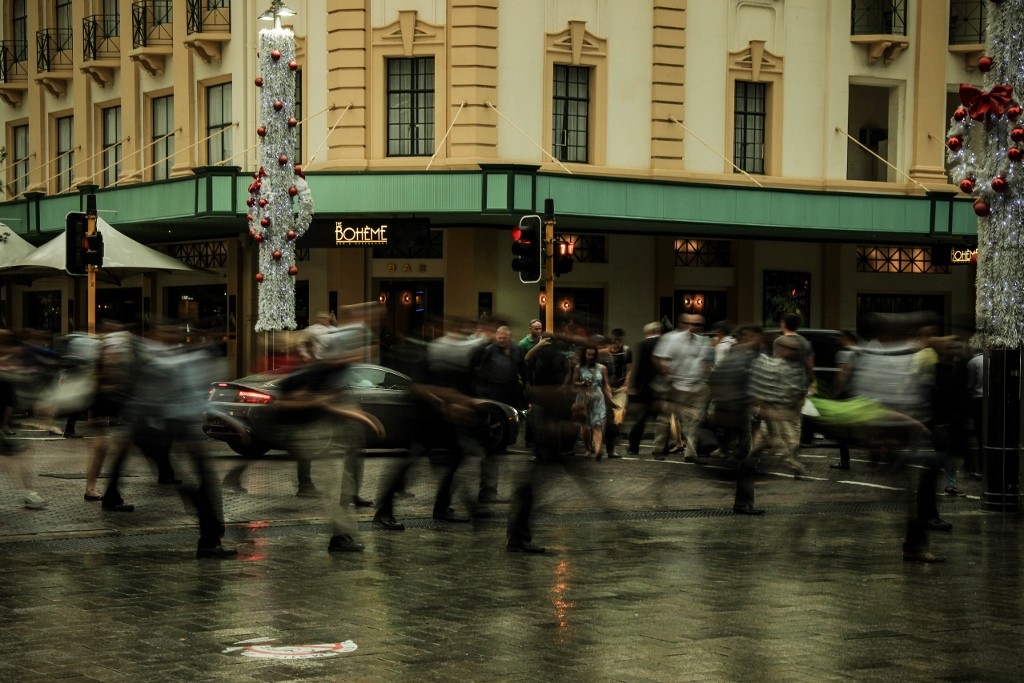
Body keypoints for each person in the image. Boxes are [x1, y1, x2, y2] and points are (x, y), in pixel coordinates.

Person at [652, 314, 713, 463]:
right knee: (665, 418)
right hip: (676, 385)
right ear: (682, 324)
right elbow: (658, 358)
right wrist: (667, 374)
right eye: (690, 323)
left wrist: (705, 377)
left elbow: (704, 362)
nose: (693, 327)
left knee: (694, 420)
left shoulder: (702, 341)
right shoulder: (671, 338)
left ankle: (690, 453)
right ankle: (658, 448)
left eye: (698, 325)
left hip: (696, 386)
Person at [475, 325, 525, 501]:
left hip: (509, 397)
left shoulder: (516, 350)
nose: (502, 340)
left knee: (497, 445)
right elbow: (482, 372)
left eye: (505, 338)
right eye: (500, 338)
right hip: (493, 398)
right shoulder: (489, 350)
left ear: (509, 337)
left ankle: (489, 490)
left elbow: (522, 369)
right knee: (490, 446)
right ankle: (487, 490)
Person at [626, 322, 663, 456]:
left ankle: (633, 447)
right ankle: (660, 448)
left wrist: (635, 385)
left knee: (641, 418)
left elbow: (640, 367)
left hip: (645, 386)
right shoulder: (664, 343)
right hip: (661, 385)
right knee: (662, 419)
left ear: (648, 332)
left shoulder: (643, 344)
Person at [572, 343, 614, 459]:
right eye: (588, 354)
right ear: (584, 355)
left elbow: (606, 385)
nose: (590, 357)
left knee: (597, 424)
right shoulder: (579, 367)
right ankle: (588, 449)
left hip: (597, 397)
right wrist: (582, 383)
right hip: (583, 397)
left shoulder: (602, 368)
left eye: (593, 355)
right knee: (585, 426)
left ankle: (598, 449)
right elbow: (574, 382)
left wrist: (610, 398)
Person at [602, 329, 632, 458]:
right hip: (606, 387)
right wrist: (606, 386)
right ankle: (599, 442)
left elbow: (629, 369)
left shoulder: (626, 351)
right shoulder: (603, 353)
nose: (617, 344)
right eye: (614, 341)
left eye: (619, 341)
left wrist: (626, 384)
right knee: (605, 416)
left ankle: (611, 443)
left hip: (620, 387)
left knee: (618, 414)